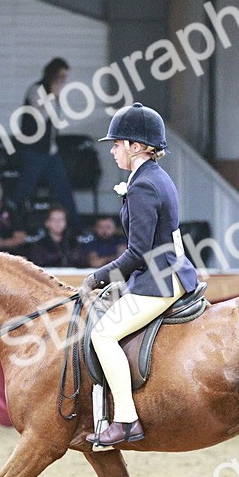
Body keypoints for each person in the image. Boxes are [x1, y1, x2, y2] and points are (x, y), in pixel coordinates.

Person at [80, 103, 199, 447]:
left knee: (103, 336)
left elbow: (138, 253)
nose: (113, 150)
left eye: (116, 143)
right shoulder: (154, 177)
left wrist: (98, 277)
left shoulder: (143, 186)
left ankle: (127, 421)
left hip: (159, 279)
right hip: (167, 271)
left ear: (136, 146)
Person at [14, 58, 77, 218]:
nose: (63, 80)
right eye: (61, 76)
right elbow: (40, 117)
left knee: (63, 190)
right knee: (25, 189)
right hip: (33, 149)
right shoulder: (36, 89)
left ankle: (73, 224)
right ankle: (16, 221)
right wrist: (52, 96)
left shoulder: (55, 94)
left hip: (50, 150)